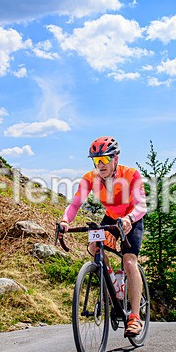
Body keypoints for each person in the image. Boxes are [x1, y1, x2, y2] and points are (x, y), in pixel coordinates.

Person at [59, 136, 147, 337]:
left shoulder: (131, 174)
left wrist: (129, 218)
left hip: (131, 219)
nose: (100, 165)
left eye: (104, 160)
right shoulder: (90, 178)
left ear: (115, 158)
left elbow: (142, 205)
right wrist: (65, 221)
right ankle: (112, 283)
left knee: (129, 262)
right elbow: (75, 204)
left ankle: (134, 316)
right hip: (110, 218)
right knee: (94, 247)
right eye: (96, 160)